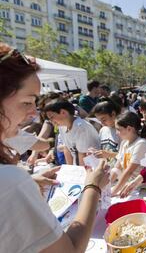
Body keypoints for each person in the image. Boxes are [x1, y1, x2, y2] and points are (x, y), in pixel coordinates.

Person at [0, 43, 110, 252]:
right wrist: (92, 187)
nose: (34, 114)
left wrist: (28, 183)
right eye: (27, 102)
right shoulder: (9, 182)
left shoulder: (81, 127)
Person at [43, 99, 100, 166]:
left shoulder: (81, 127)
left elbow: (83, 155)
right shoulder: (62, 126)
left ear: (63, 112)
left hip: (92, 166)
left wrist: (78, 173)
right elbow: (67, 148)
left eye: (52, 117)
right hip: (79, 166)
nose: (51, 121)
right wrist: (70, 169)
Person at [109, 112, 146, 197]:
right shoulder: (124, 143)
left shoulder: (141, 144)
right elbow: (117, 168)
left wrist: (113, 192)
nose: (117, 133)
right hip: (127, 186)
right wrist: (106, 186)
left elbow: (129, 171)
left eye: (118, 129)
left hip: (142, 190)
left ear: (129, 129)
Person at [90, 99, 122, 166]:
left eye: (104, 119)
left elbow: (129, 156)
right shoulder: (103, 130)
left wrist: (109, 154)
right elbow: (103, 149)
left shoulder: (123, 131)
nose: (102, 123)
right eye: (99, 120)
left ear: (113, 114)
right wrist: (95, 152)